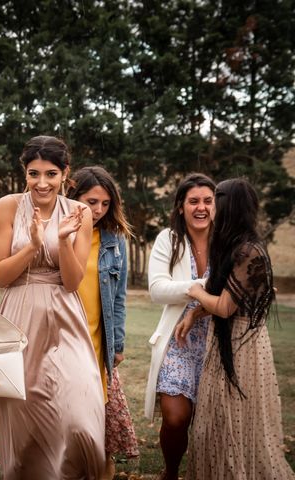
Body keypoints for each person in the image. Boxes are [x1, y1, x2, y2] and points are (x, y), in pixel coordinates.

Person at [0, 135, 105, 479]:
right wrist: (33, 247)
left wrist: (63, 241)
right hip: (21, 314)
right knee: (26, 421)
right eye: (34, 173)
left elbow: (71, 281)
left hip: (66, 315)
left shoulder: (80, 213)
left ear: (65, 174)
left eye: (51, 174)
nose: (42, 182)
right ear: (24, 173)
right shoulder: (7, 207)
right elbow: (1, 276)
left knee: (81, 417)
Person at [175, 178, 295, 479]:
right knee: (214, 423)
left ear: (228, 207)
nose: (209, 207)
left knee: (232, 423)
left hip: (243, 347)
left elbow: (227, 307)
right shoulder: (235, 246)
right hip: (226, 341)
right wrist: (195, 313)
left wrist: (195, 291)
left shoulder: (248, 251)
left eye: (215, 200)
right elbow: (229, 299)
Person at [66, 166, 139, 479]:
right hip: (63, 337)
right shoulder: (58, 232)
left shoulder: (113, 240)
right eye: (90, 201)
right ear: (74, 197)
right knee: (67, 421)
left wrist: (118, 344)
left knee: (100, 425)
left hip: (98, 339)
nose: (97, 210)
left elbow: (119, 297)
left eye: (105, 204)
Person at [144, 172, 215, 480]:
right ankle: (171, 472)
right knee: (176, 418)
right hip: (179, 339)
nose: (201, 208)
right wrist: (202, 285)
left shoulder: (227, 240)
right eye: (193, 201)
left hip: (218, 339)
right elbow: (158, 289)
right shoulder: (168, 240)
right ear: (180, 207)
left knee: (211, 420)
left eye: (208, 201)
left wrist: (196, 294)